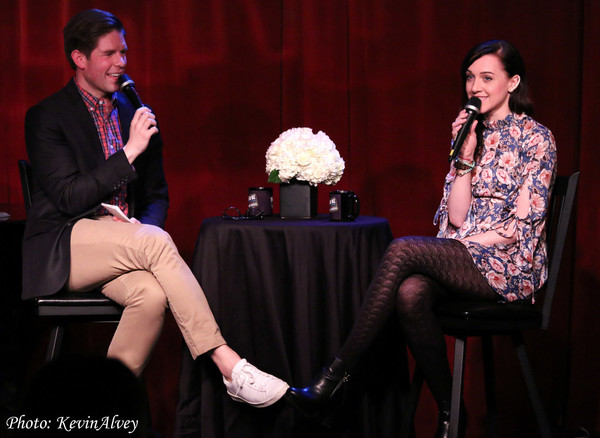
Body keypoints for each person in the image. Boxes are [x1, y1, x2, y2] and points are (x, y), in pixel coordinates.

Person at [285, 39, 557, 438]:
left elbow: (523, 225)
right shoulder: (470, 134)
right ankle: (451, 412)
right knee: (410, 292)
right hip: (466, 257)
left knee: (403, 248)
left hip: (509, 265)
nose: (475, 88)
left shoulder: (538, 138)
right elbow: (458, 216)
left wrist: (466, 243)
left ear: (512, 82)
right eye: (470, 78)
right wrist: (464, 154)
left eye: (487, 78)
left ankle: (334, 377)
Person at [22, 9, 288, 408]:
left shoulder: (133, 112)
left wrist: (140, 227)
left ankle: (100, 408)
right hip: (66, 244)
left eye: (124, 52)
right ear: (79, 59)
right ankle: (228, 364)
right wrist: (129, 152)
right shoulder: (47, 116)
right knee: (154, 243)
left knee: (149, 295)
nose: (121, 63)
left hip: (126, 243)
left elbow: (156, 194)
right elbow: (68, 198)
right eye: (109, 54)